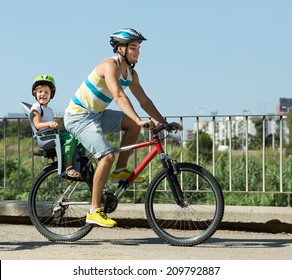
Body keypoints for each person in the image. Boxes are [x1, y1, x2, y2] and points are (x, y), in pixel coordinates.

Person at [64, 28, 182, 227]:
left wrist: (163, 122)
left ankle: (120, 170)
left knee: (131, 126)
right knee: (107, 155)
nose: (137, 51)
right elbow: (118, 96)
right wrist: (138, 119)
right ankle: (94, 211)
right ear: (120, 49)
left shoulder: (131, 74)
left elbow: (144, 100)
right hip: (78, 117)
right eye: (133, 47)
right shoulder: (108, 65)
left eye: (139, 48)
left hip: (97, 115)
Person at [31, 74, 84, 179]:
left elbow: (53, 126)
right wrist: (49, 124)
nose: (43, 94)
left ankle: (80, 163)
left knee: (78, 137)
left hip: (52, 133)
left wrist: (64, 127)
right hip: (46, 136)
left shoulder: (48, 109)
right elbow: (37, 125)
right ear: (35, 93)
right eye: (40, 92)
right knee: (70, 139)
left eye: (46, 92)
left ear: (51, 95)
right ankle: (68, 166)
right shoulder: (36, 107)